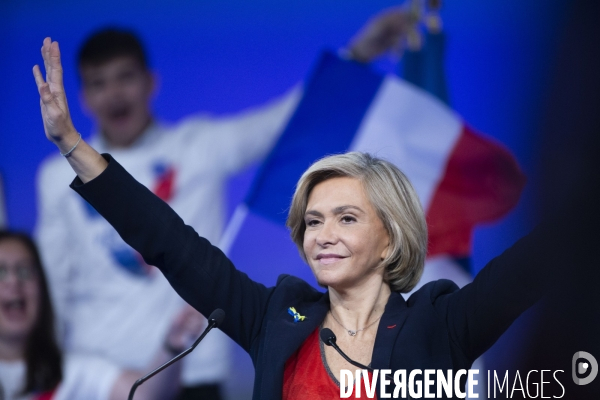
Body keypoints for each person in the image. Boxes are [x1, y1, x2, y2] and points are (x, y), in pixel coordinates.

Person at [33, 37, 561, 399]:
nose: (322, 236)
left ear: (390, 238)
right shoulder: (274, 318)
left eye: (346, 219)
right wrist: (74, 146)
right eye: (312, 222)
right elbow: (169, 241)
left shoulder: (441, 324)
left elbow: (539, 262)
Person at [34, 13, 412, 399]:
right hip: (102, 379)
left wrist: (360, 53)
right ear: (83, 97)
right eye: (99, 83)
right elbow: (51, 282)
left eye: (125, 77)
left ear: (151, 82)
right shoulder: (56, 175)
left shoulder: (198, 146)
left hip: (194, 370)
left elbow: (283, 120)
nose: (114, 93)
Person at [0, 230, 206, 400]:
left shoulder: (73, 373)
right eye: (1, 272)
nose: (13, 283)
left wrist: (172, 345)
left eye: (24, 271)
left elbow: (145, 395)